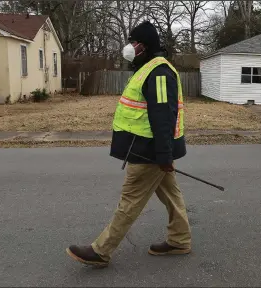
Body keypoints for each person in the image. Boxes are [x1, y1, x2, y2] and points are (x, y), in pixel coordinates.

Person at [66, 21, 191, 267]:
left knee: (131, 199)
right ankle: (180, 240)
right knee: (171, 194)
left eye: (133, 42)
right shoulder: (146, 69)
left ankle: (101, 250)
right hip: (148, 148)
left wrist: (163, 155)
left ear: (144, 46)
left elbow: (164, 116)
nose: (129, 46)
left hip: (149, 152)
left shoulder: (159, 73)